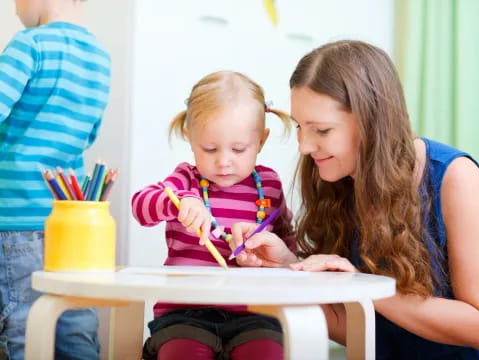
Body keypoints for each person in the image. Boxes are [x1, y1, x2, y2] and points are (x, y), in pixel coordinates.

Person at [230, 40, 479, 359]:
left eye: (321, 130)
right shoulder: (336, 178)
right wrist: (289, 269)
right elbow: (362, 330)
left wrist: (363, 287)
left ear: (372, 121)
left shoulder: (455, 177)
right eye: (300, 127)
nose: (305, 146)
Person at [131, 70, 295, 360]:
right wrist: (179, 203)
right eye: (209, 148)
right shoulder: (186, 179)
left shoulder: (268, 185)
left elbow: (287, 247)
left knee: (266, 352)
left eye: (239, 149)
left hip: (255, 313)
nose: (223, 161)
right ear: (189, 137)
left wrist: (276, 262)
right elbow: (140, 206)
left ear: (262, 140)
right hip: (185, 313)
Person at [0, 0, 111, 359]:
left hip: (16, 221)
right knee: (74, 325)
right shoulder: (100, 58)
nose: (16, 9)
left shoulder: (28, 44)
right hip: (71, 222)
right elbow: (88, 135)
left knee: (26, 328)